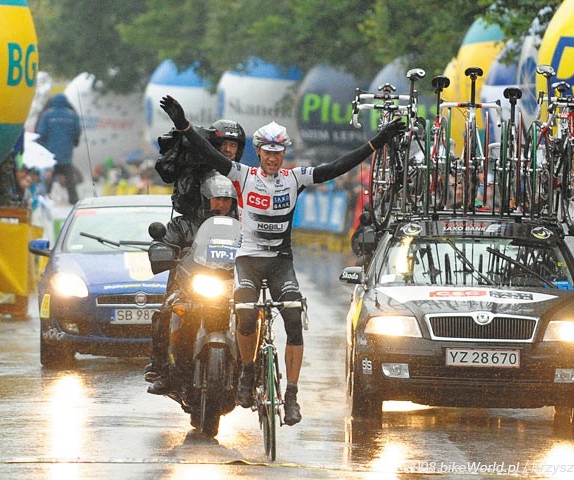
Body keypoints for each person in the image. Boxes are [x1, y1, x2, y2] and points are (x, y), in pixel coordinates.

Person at [158, 94, 406, 425]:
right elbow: (208, 154)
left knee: (292, 318)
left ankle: (291, 394)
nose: (273, 158)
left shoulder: (295, 179)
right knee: (245, 313)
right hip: (248, 259)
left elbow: (337, 167)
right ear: (258, 153)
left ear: (283, 154)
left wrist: (377, 142)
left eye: (278, 153)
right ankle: (247, 373)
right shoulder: (242, 175)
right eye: (267, 153)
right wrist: (183, 125)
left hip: (279, 262)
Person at [146, 119, 245, 394]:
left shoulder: (245, 182)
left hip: (230, 279)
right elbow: (169, 238)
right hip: (194, 276)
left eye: (233, 145)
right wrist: (165, 251)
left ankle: (255, 372)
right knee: (166, 310)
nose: (228, 150)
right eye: (223, 144)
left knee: (258, 313)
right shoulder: (186, 215)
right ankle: (163, 368)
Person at [36, 93, 81, 204]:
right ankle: (73, 200)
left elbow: (41, 132)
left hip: (50, 154)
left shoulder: (47, 115)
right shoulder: (72, 116)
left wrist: (42, 145)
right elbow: (77, 132)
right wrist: (73, 142)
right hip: (66, 154)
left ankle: (45, 198)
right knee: (70, 179)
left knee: (48, 179)